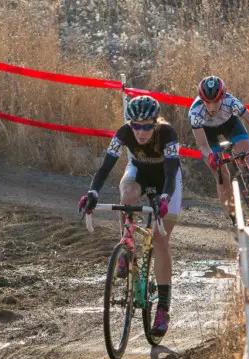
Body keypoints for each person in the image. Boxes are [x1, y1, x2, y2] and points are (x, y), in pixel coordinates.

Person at [78, 95, 182, 340]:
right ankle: (127, 244)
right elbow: (105, 167)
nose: (141, 132)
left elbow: (170, 171)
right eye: (136, 125)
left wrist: (164, 197)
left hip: (166, 180)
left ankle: (163, 309)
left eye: (147, 126)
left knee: (159, 241)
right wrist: (92, 192)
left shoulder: (167, 134)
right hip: (138, 173)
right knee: (128, 193)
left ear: (155, 124)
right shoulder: (124, 133)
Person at [189, 75, 249, 227]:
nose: (211, 107)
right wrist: (210, 156)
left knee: (248, 158)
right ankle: (234, 218)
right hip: (208, 135)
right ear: (201, 100)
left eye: (215, 102)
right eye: (207, 102)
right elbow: (203, 145)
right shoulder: (195, 113)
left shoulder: (232, 102)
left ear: (222, 98)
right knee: (221, 175)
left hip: (230, 125)